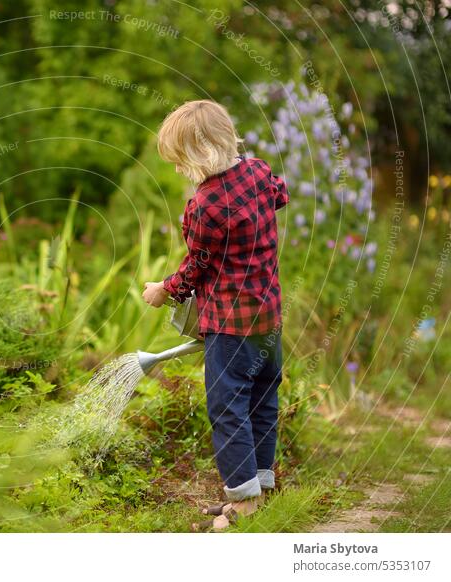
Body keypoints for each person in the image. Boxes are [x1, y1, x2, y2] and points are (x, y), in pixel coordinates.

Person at [141, 100, 289, 531]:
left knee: (228, 407)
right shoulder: (258, 172)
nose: (178, 171)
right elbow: (280, 193)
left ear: (200, 154)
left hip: (230, 325)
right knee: (262, 397)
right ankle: (260, 486)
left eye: (180, 162)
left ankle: (241, 505)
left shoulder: (206, 205)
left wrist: (162, 292)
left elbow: (196, 266)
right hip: (269, 317)